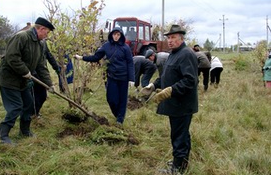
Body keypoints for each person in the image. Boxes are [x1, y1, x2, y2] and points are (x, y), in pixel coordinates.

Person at [141, 24, 198, 174]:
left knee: (179, 136)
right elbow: (166, 76)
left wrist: (171, 90)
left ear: (181, 38)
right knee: (181, 134)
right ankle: (181, 163)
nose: (170, 40)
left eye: (173, 37)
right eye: (168, 38)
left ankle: (177, 169)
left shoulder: (186, 54)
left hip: (182, 104)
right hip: (175, 104)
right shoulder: (173, 54)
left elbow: (190, 80)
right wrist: (153, 85)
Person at [0, 17, 55, 144]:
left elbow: (41, 66)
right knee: (16, 107)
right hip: (9, 79)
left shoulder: (40, 44)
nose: (47, 35)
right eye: (47, 32)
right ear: (41, 29)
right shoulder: (22, 37)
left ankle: (25, 131)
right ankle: (3, 135)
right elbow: (12, 57)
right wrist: (25, 71)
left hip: (23, 81)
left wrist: (49, 84)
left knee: (28, 104)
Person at [74, 26, 134, 125]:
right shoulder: (106, 46)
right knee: (111, 99)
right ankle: (117, 114)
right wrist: (81, 58)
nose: (116, 36)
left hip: (123, 77)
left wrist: (131, 78)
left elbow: (130, 62)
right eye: (114, 34)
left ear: (121, 35)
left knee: (122, 99)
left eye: (118, 34)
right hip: (112, 77)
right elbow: (96, 57)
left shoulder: (125, 48)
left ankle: (120, 119)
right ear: (111, 35)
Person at [33, 39, 61, 116]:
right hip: (31, 73)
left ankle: (35, 112)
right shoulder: (31, 43)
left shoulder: (43, 43)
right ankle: (32, 113)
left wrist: (56, 67)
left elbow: (49, 55)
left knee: (42, 96)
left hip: (41, 72)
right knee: (34, 94)